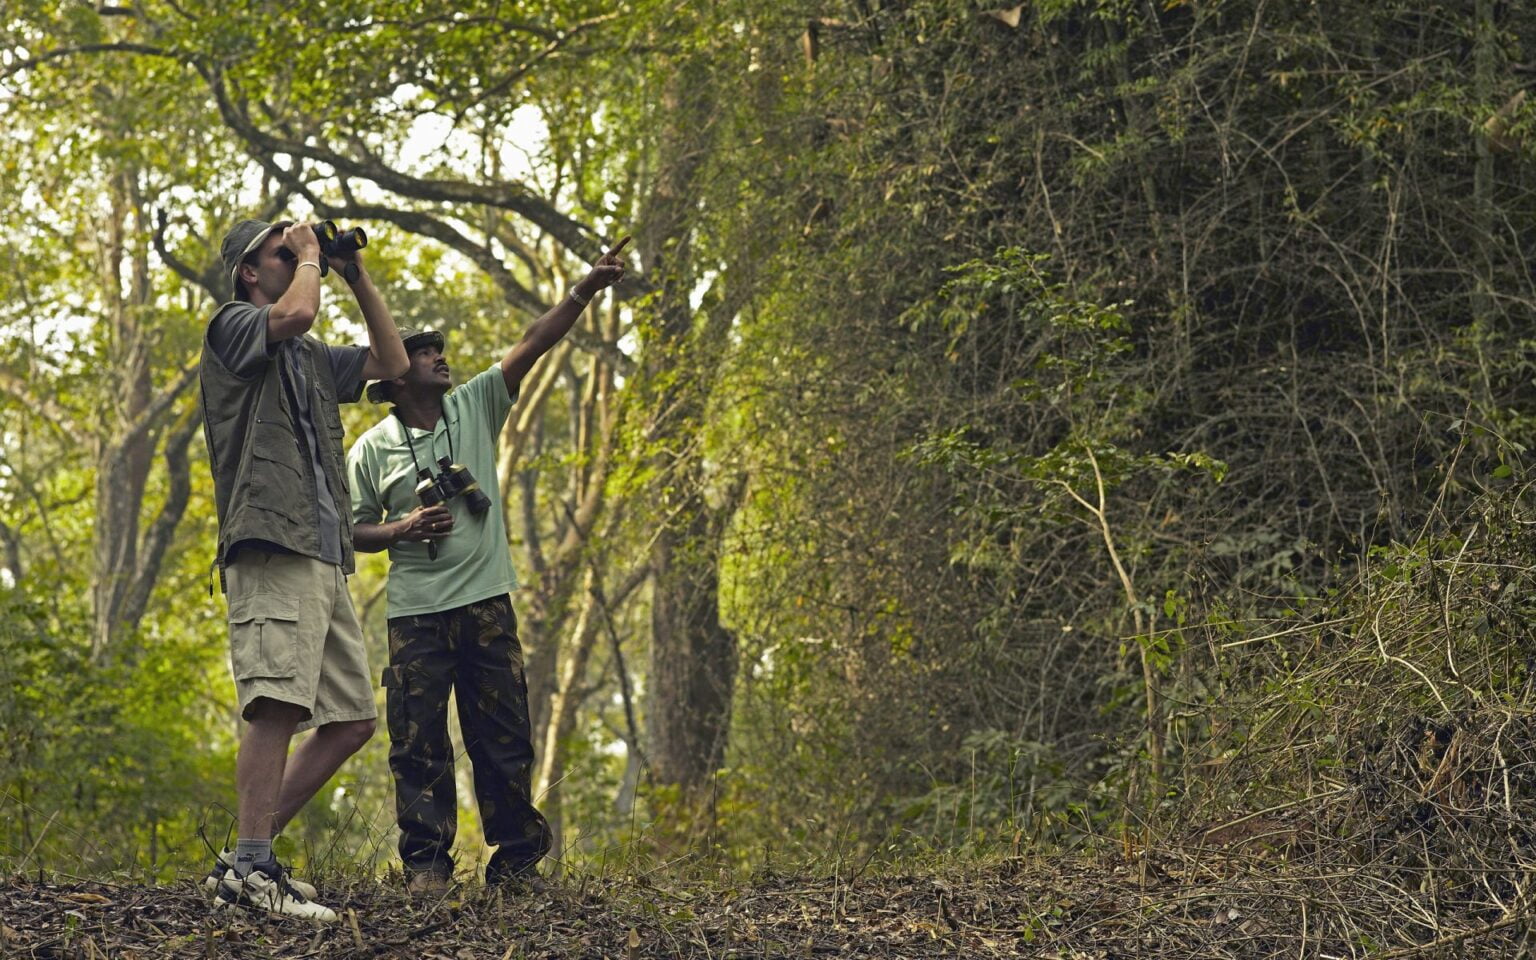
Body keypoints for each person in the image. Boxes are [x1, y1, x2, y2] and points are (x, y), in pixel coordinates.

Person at [348, 238, 629, 896]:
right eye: (424, 352)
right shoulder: (371, 448)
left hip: (485, 603)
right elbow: (352, 529)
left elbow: (534, 342)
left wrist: (586, 288)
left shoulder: (472, 405)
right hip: (415, 613)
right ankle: (426, 868)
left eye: (438, 350)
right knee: (417, 745)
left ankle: (516, 868)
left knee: (502, 738)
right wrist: (402, 528)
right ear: (392, 377)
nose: (439, 358)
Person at [198, 217, 408, 922]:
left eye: (297, 253)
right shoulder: (232, 325)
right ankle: (254, 868)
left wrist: (355, 273)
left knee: (350, 719)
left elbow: (393, 364)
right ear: (248, 273)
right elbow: (297, 312)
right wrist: (314, 260)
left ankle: (243, 863)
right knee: (277, 703)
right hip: (270, 541)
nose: (295, 262)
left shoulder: (312, 355)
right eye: (281, 255)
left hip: (324, 551)